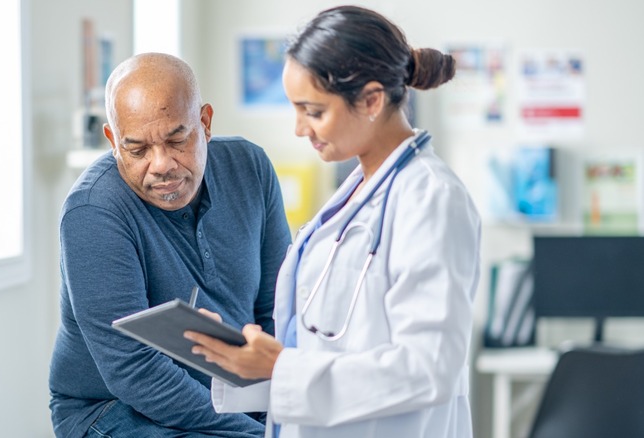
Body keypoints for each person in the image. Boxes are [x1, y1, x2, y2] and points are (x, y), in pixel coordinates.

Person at [185, 6, 481, 438]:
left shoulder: (431, 198)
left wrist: (282, 368)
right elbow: (322, 346)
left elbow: (428, 367)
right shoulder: (357, 192)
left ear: (372, 100)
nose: (299, 129)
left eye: (313, 111)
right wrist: (250, 362)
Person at [49, 53, 292, 437]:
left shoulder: (251, 168)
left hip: (237, 395)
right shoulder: (93, 211)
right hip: (114, 408)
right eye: (138, 150)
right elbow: (133, 369)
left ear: (206, 123)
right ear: (113, 142)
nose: (161, 165)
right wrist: (255, 433)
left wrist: (287, 408)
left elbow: (278, 310)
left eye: (177, 139)